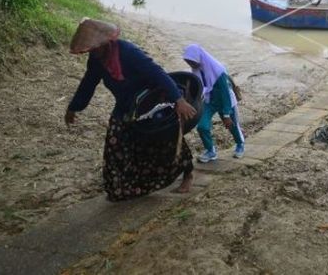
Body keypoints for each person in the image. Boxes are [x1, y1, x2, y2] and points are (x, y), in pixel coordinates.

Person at [65, 18, 196, 201]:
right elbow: (88, 83)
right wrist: (74, 107)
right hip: (125, 105)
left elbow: (156, 72)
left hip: (149, 100)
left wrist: (178, 99)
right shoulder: (96, 60)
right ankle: (122, 188)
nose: (93, 52)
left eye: (95, 48)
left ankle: (187, 172)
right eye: (90, 50)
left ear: (105, 42)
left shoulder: (128, 51)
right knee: (115, 142)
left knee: (164, 138)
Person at [183, 44, 245, 162]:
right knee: (202, 126)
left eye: (191, 61)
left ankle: (240, 144)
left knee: (232, 125)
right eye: (187, 62)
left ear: (198, 58)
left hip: (225, 101)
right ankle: (211, 151)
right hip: (209, 101)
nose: (190, 64)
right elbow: (199, 87)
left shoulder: (217, 70)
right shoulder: (196, 69)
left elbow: (225, 93)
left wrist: (226, 114)